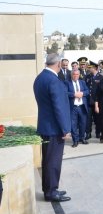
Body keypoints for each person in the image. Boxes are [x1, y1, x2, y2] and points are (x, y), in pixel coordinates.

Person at [33, 53, 71, 202]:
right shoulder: (53, 80)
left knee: (48, 160)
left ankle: (49, 188)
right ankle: (51, 192)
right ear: (59, 64)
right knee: (53, 161)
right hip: (54, 128)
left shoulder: (40, 78)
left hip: (46, 125)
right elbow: (59, 107)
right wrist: (65, 129)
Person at [66, 70, 90, 147]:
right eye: (74, 74)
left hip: (82, 106)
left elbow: (87, 91)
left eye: (77, 74)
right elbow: (65, 93)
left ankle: (82, 138)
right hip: (73, 107)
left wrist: (82, 93)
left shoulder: (82, 82)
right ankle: (75, 140)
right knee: (73, 125)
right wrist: (74, 94)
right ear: (71, 75)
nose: (75, 76)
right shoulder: (67, 83)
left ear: (79, 75)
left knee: (83, 124)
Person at [85, 61, 103, 139]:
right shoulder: (87, 76)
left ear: (95, 68)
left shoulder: (101, 77)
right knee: (88, 119)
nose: (89, 69)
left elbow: (102, 91)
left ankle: (98, 132)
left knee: (98, 119)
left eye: (91, 68)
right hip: (89, 101)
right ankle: (88, 133)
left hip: (97, 102)